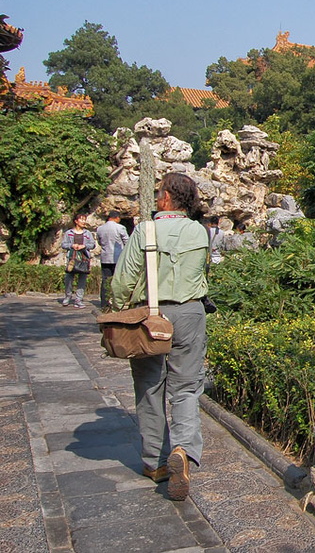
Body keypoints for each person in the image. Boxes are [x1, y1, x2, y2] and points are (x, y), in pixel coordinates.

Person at [109, 173, 209, 501]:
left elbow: (123, 280)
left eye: (158, 193)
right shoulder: (200, 231)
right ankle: (183, 449)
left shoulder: (145, 230)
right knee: (187, 388)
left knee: (151, 386)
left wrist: (120, 308)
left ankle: (156, 461)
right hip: (191, 313)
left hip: (152, 316)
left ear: (166, 198)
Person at [60, 212, 96, 309]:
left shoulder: (88, 233)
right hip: (72, 258)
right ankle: (67, 296)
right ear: (76, 221)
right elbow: (63, 244)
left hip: (84, 258)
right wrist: (71, 246)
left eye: (85, 219)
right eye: (82, 219)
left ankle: (78, 299)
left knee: (82, 279)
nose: (84, 221)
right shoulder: (69, 233)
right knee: (68, 278)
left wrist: (84, 246)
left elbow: (92, 244)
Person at [96, 210, 130, 308]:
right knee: (118, 280)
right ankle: (118, 301)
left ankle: (104, 303)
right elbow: (127, 241)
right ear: (117, 217)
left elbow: (99, 241)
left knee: (106, 280)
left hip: (105, 257)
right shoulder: (120, 228)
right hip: (118, 257)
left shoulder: (100, 229)